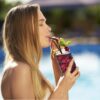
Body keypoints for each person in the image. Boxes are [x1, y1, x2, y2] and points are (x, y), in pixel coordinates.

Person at [0, 4, 80, 100]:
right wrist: (62, 88)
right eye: (41, 24)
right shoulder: (20, 69)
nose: (49, 28)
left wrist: (57, 66)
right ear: (25, 30)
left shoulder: (24, 67)